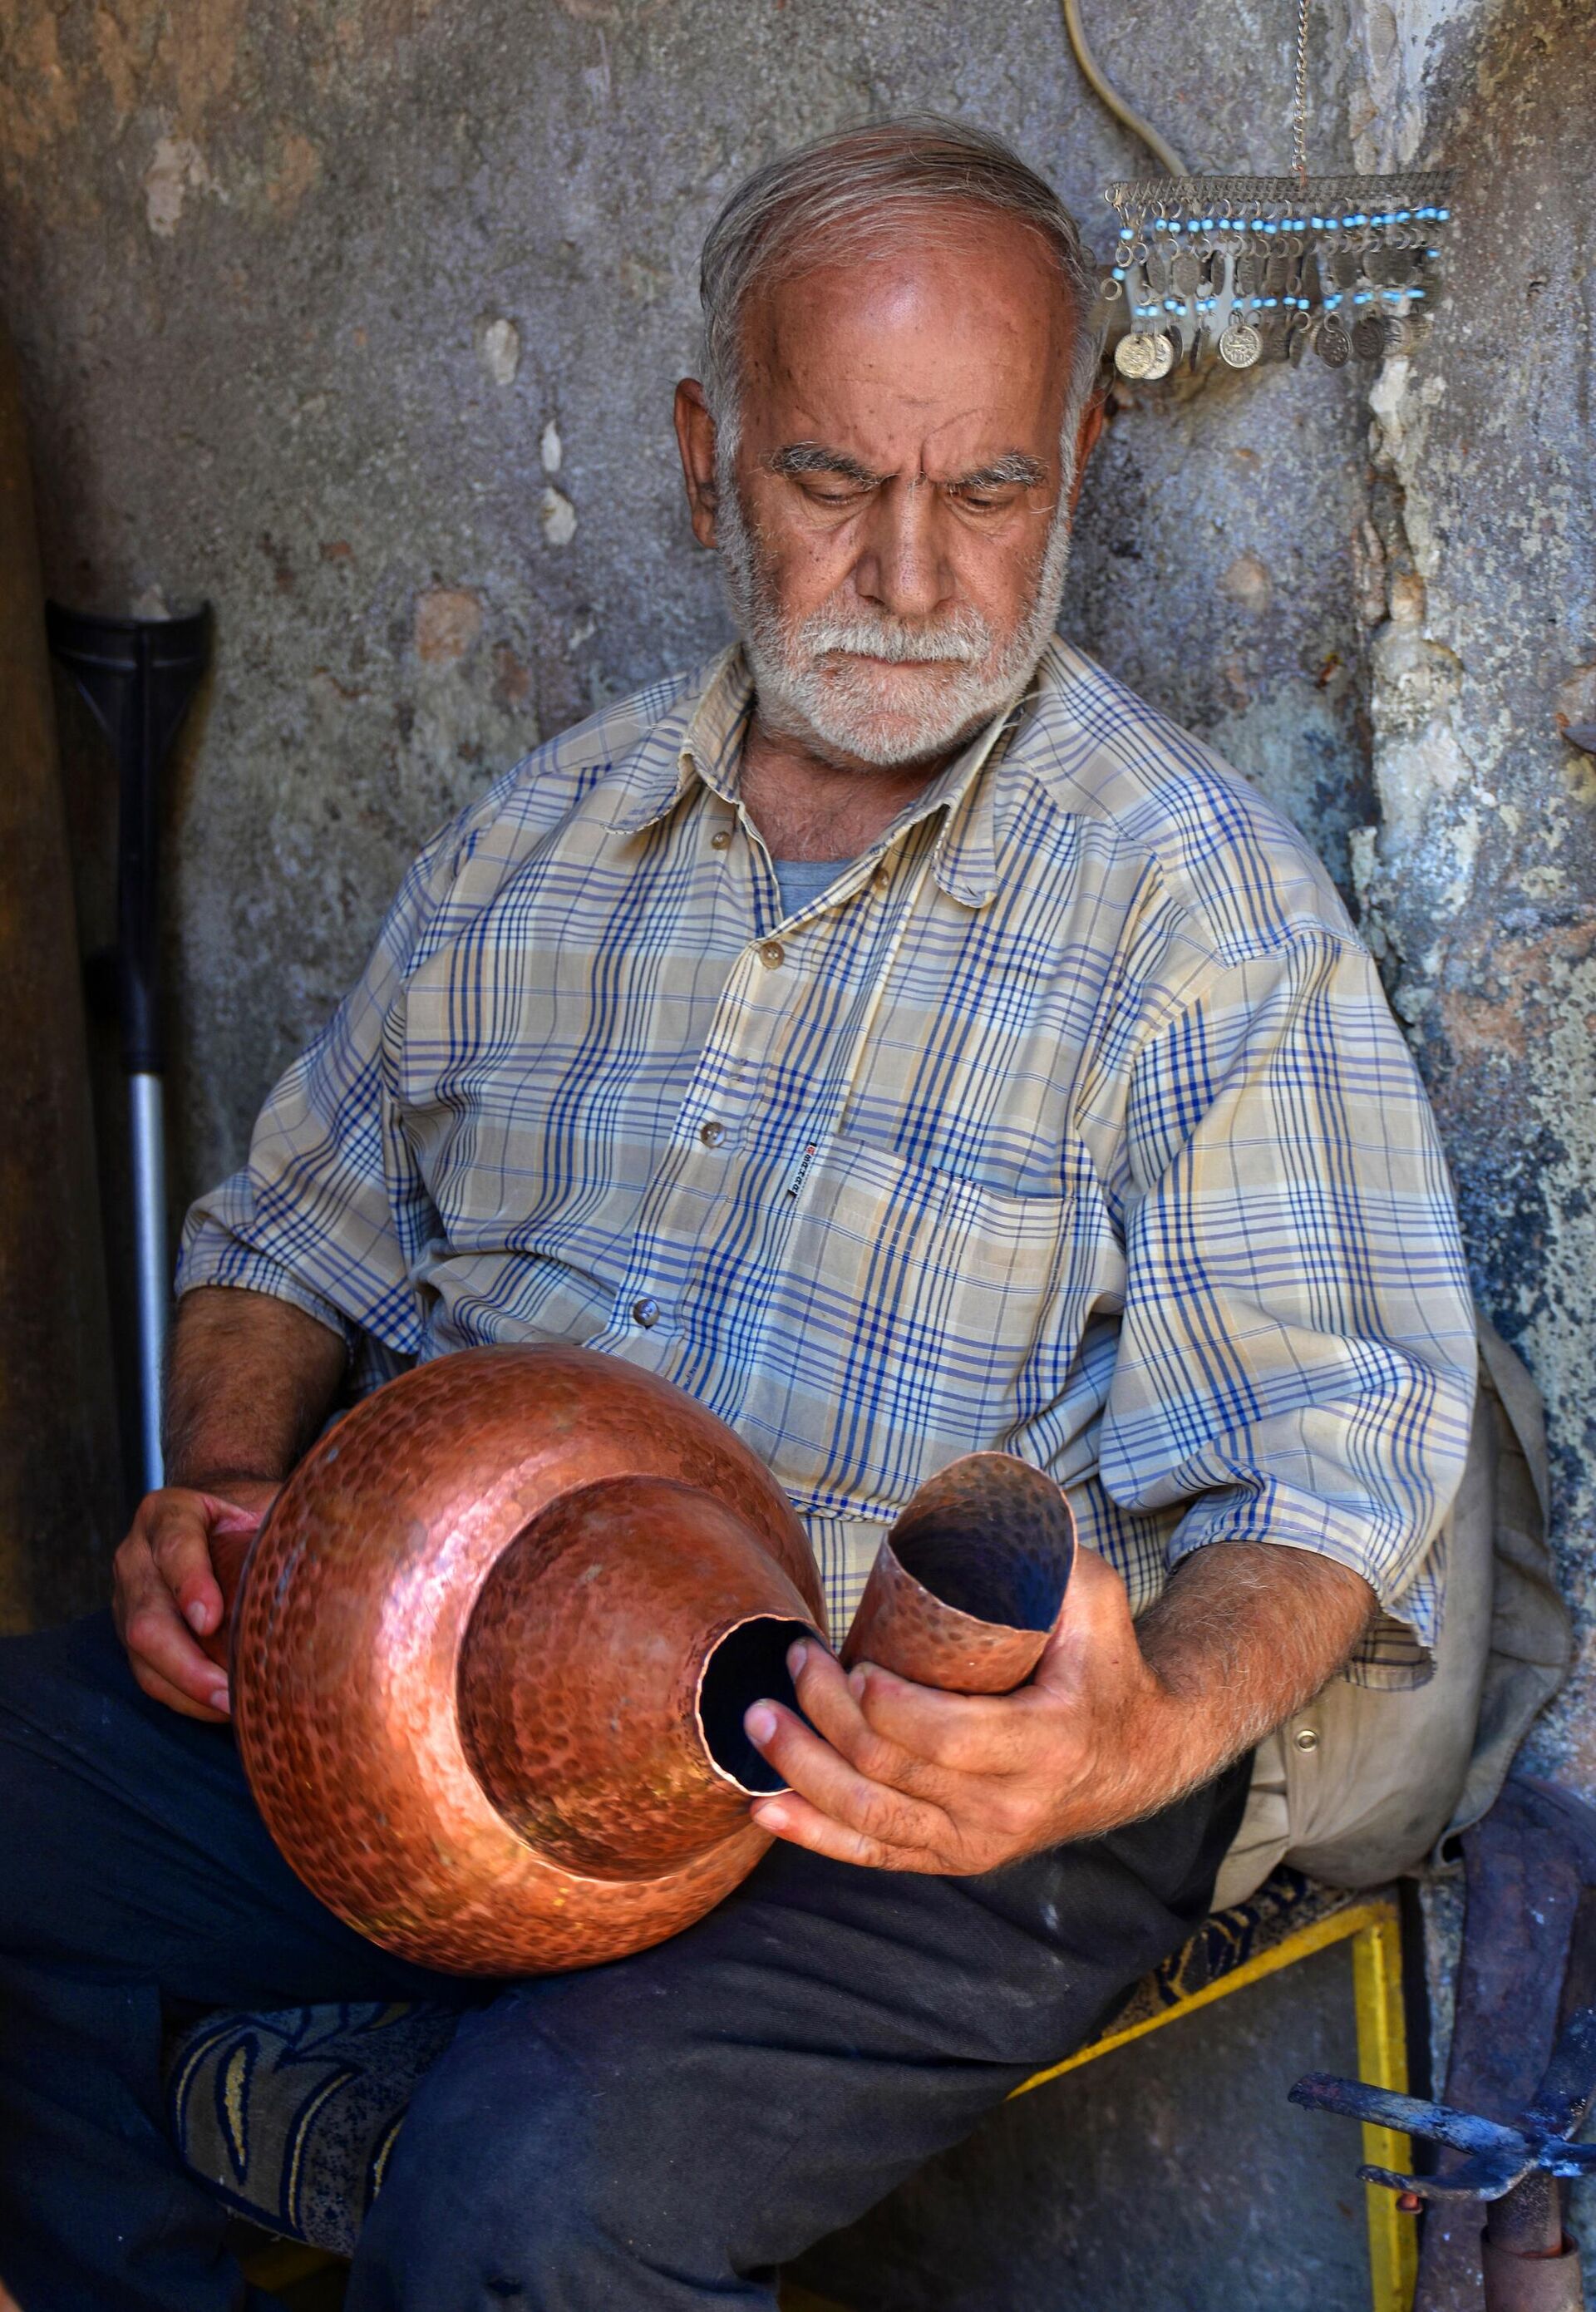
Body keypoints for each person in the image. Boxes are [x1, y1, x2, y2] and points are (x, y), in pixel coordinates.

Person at [1, 116, 1480, 2310]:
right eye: (829, 482)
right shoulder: (537, 848)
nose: (912, 574)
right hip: (470, 1698)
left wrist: (1137, 1728)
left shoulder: (1197, 909)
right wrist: (223, 1487)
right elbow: (290, 1234)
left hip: (928, 1788)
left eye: (989, 490)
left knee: (531, 2196)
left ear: (1076, 460)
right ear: (706, 459)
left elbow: (1337, 1447)